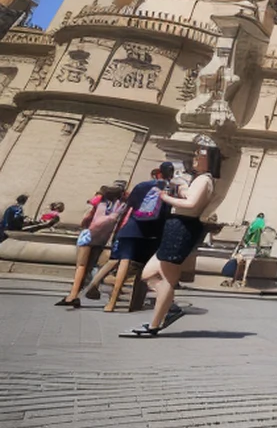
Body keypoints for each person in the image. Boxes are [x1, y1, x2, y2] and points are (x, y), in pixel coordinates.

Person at [122, 144, 221, 336]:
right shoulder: (200, 179)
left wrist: (165, 198)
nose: (195, 157)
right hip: (177, 226)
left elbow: (192, 204)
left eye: (199, 154)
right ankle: (170, 307)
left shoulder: (204, 179)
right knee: (148, 274)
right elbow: (190, 197)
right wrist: (183, 187)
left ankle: (155, 324)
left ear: (209, 159)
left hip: (182, 227)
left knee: (167, 277)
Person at [95, 164, 175, 312]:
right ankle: (136, 303)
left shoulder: (143, 185)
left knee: (124, 263)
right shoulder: (173, 189)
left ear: (158, 172)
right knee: (144, 267)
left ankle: (112, 303)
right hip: (155, 231)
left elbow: (131, 204)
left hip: (134, 226)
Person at [55, 186, 127, 307]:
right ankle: (79, 294)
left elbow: (94, 221)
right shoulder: (120, 205)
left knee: (81, 266)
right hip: (101, 239)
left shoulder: (104, 204)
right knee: (89, 267)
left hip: (89, 236)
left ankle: (72, 296)